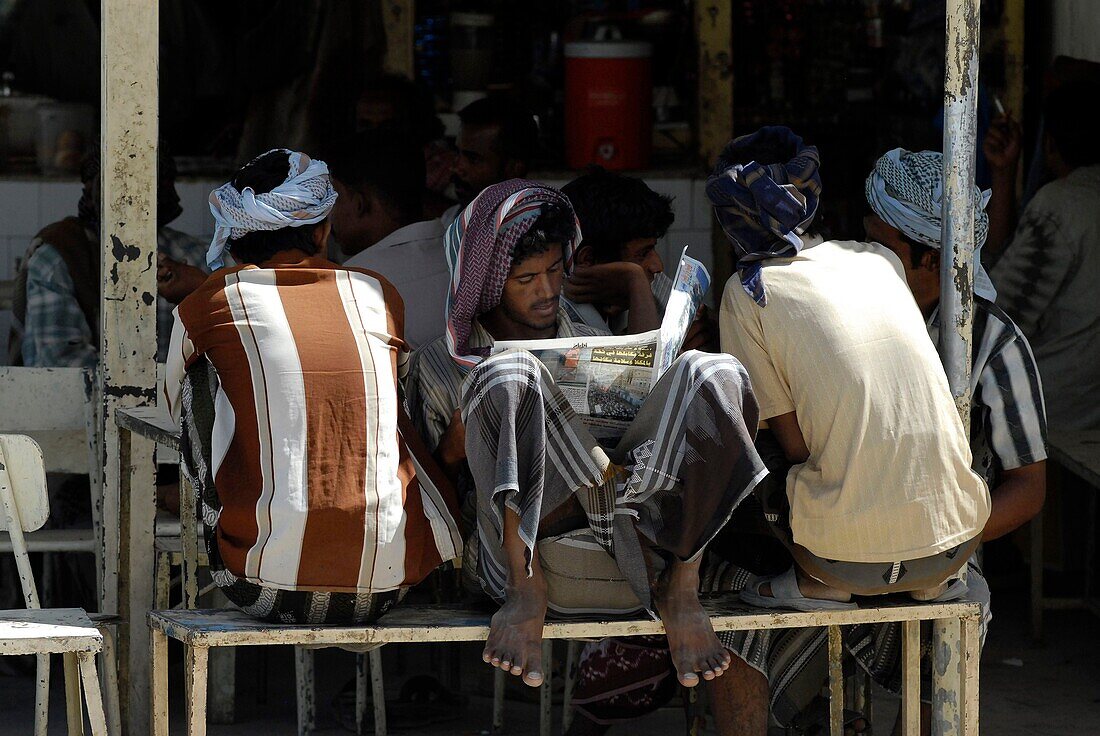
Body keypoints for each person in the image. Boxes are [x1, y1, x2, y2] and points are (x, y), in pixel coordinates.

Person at [406, 179, 769, 698]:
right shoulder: (438, 370)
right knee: (510, 374)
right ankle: (525, 590)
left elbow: (651, 436)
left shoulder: (591, 338)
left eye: (555, 270)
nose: (547, 290)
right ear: (487, 283)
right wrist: (454, 451)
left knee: (713, 373)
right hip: (522, 554)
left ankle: (684, 587)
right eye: (526, 278)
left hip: (631, 533)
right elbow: (424, 504)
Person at [711, 127, 991, 734]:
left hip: (841, 564)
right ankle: (907, 581)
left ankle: (819, 584)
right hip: (955, 547)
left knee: (751, 468)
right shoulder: (879, 258)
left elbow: (795, 446)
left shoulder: (747, 291)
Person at [161, 149, 462, 624]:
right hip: (393, 581)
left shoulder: (207, 303)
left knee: (203, 377)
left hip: (257, 583)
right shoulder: (377, 292)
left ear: (234, 235)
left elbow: (173, 402)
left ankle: (247, 527)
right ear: (322, 231)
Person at [9, 145, 207, 367]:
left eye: (142, 181)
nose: (128, 194)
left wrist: (202, 287)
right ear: (92, 189)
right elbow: (60, 363)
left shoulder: (194, 257)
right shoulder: (60, 257)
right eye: (117, 180)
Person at [986, 81, 1100, 432]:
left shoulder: (1060, 205)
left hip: (1053, 418)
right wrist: (1004, 173)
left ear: (1049, 144)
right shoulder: (1071, 202)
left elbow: (997, 315)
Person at [329, 129, 449, 348]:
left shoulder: (351, 284)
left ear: (359, 203)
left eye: (334, 198)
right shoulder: (462, 255)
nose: (329, 214)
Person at [441, 96, 540, 224]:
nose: (457, 168)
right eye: (457, 153)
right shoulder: (451, 219)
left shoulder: (538, 231)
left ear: (513, 168)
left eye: (473, 159)